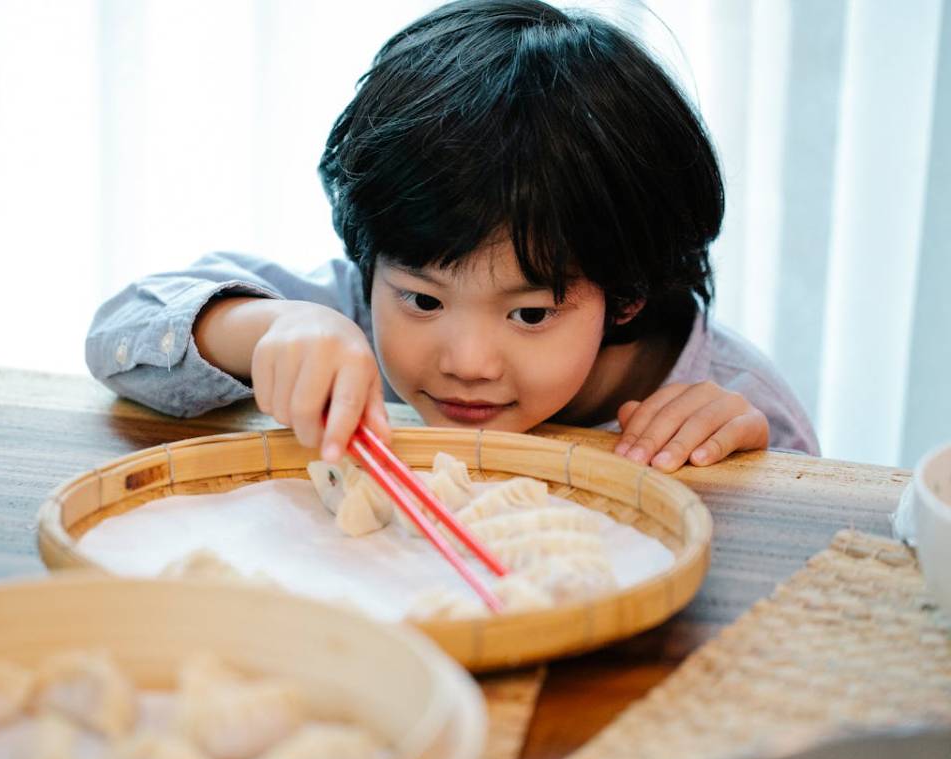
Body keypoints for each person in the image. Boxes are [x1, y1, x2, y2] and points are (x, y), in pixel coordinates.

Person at [85, 0, 819, 473]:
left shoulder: (727, 395)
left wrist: (750, 469)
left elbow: (814, 574)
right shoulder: (351, 318)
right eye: (424, 301)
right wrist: (267, 328)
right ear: (373, 260)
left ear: (626, 292)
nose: (466, 363)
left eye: (530, 314)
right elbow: (118, 332)